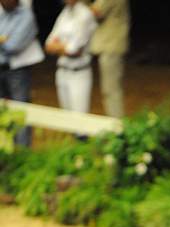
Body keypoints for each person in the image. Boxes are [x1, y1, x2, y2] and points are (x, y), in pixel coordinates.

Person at [0, 0, 44, 146]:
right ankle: (7, 149)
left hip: (17, 71)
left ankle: (22, 150)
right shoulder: (2, 12)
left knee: (21, 110)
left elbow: (13, 46)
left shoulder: (26, 15)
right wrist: (3, 39)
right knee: (3, 111)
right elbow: (6, 42)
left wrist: (5, 40)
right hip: (1, 68)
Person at [45, 0, 97, 115]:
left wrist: (59, 46)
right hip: (62, 71)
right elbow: (48, 44)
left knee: (79, 119)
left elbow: (74, 50)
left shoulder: (85, 14)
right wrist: (64, 47)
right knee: (66, 117)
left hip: (79, 72)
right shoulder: (65, 12)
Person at [89, 0, 130, 119]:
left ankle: (117, 128)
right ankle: (114, 125)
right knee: (110, 90)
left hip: (111, 46)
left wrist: (81, 3)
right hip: (110, 46)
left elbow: (96, 12)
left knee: (111, 90)